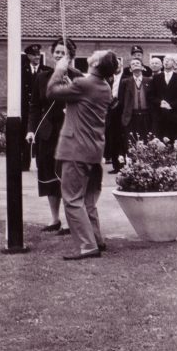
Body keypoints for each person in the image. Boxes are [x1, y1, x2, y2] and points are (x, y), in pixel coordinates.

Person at [47, 48, 119, 260]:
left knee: (72, 199)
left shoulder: (84, 85)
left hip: (75, 150)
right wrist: (69, 67)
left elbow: (52, 91)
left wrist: (59, 69)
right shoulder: (103, 85)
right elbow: (84, 79)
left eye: (98, 54)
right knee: (87, 200)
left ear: (96, 64)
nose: (94, 53)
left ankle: (88, 246)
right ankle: (96, 239)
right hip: (93, 151)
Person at [26, 38, 80, 236]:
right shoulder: (42, 77)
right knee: (48, 175)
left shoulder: (77, 76)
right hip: (47, 132)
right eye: (56, 52)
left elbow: (83, 103)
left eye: (63, 53)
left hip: (68, 132)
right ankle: (54, 219)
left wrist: (70, 87)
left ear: (70, 56)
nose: (58, 56)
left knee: (66, 176)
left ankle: (68, 221)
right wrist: (31, 129)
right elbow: (34, 106)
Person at [21, 44, 49, 171]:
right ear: (28, 56)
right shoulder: (21, 70)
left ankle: (40, 164)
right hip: (26, 109)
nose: (37, 57)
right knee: (25, 135)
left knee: (41, 135)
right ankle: (25, 164)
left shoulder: (47, 71)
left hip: (41, 110)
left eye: (38, 54)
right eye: (34, 55)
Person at [150, 54, 177, 145]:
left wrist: (171, 105)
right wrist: (160, 102)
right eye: (165, 60)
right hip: (159, 116)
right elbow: (151, 96)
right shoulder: (156, 78)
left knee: (173, 142)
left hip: (175, 116)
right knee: (159, 143)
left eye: (169, 60)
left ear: (174, 63)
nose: (166, 62)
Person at [119, 57, 153, 145]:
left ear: (142, 67)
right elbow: (121, 100)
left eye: (137, 63)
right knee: (132, 141)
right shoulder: (125, 82)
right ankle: (132, 158)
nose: (135, 65)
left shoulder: (149, 80)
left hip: (146, 115)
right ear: (130, 69)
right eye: (133, 64)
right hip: (131, 115)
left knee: (146, 140)